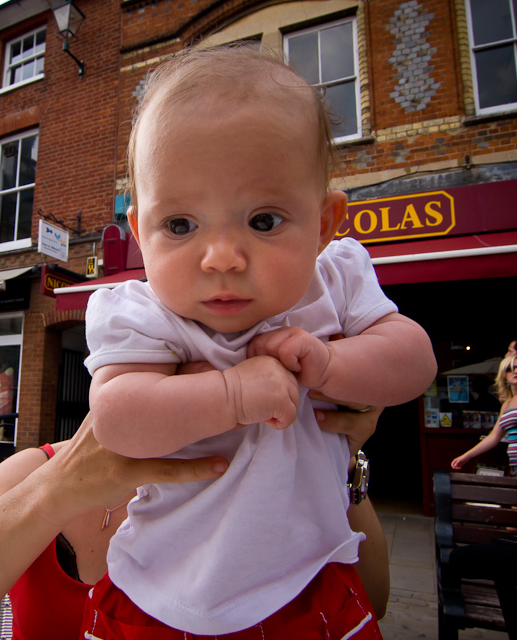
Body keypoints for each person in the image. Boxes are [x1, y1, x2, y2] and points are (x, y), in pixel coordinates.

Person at [83, 45, 436, 638]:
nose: (221, 258)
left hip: (317, 578)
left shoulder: (336, 280)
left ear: (323, 225)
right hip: (165, 593)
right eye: (180, 225)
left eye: (264, 221)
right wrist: (233, 395)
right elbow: (116, 416)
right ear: (140, 233)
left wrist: (330, 361)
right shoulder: (145, 315)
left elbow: (414, 361)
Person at [0, 403, 389, 640]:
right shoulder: (37, 470)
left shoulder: (257, 481)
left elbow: (374, 601)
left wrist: (337, 462)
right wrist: (58, 490)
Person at [452, 354, 517, 476]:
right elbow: (494, 437)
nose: (515, 371)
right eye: (510, 368)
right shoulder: (507, 404)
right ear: (504, 375)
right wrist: (466, 456)